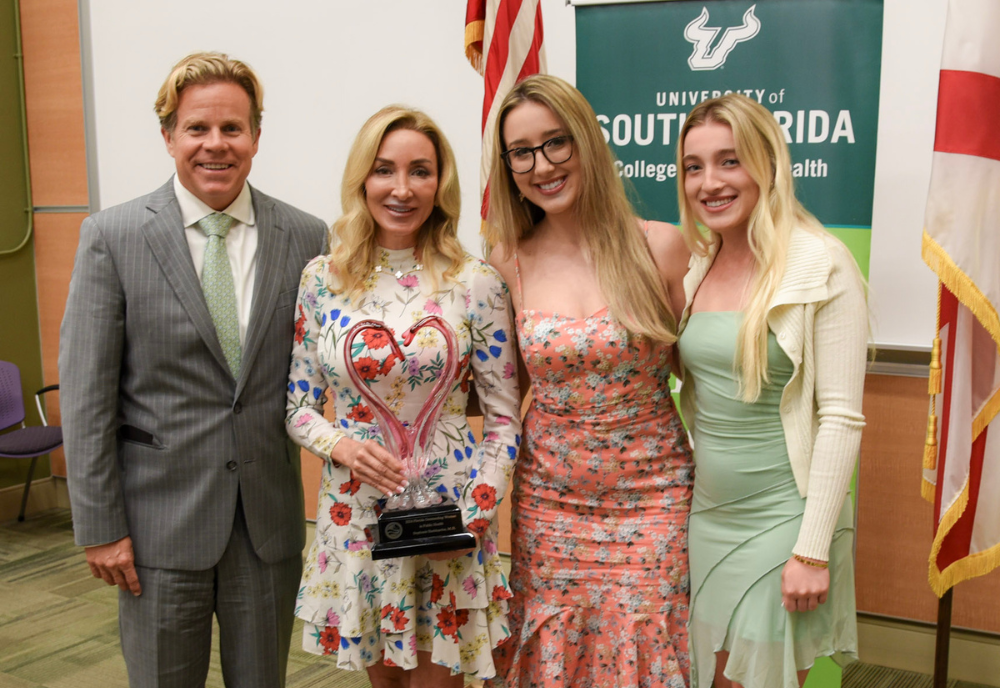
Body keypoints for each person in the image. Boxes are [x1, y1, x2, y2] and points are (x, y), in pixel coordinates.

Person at [59, 52, 327, 687]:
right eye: (197, 129)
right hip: (156, 532)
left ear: (256, 137)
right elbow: (87, 397)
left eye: (232, 129)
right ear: (169, 136)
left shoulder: (307, 236)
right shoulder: (113, 237)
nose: (216, 145)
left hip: (266, 529)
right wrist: (101, 530)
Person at [285, 105, 522, 688]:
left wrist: (476, 511)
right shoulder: (323, 278)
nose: (401, 188)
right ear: (362, 179)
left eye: (420, 171)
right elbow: (298, 406)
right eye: (385, 169)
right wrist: (340, 445)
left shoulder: (476, 281)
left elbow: (503, 418)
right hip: (357, 516)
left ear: (441, 183)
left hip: (449, 517)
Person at [483, 74, 693, 688]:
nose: (541, 165)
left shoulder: (660, 247)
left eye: (556, 143)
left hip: (654, 493)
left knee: (647, 643)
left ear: (587, 142)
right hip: (551, 500)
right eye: (521, 152)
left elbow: (705, 377)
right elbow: (500, 393)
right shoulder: (505, 261)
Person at [675, 93, 866, 688]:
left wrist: (810, 551)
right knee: (708, 676)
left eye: (730, 161)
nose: (709, 182)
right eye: (693, 166)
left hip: (784, 519)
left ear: (769, 164)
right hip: (706, 519)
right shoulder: (697, 264)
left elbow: (840, 417)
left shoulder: (821, 263)